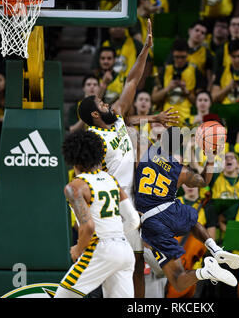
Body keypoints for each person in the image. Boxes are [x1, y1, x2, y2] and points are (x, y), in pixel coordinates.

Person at [77, 19, 154, 298]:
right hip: (110, 209)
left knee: (133, 266)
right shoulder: (95, 139)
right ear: (95, 114)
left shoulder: (118, 118)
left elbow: (132, 80)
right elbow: (88, 178)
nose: (107, 103)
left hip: (130, 202)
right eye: (101, 103)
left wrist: (144, 49)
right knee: (103, 268)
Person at [134, 126, 239, 292]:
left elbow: (128, 124)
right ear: (179, 148)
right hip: (171, 211)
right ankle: (215, 248)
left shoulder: (146, 151)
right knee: (191, 218)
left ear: (160, 140)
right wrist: (211, 158)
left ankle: (203, 272)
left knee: (177, 281)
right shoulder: (181, 170)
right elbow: (205, 182)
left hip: (152, 219)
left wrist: (152, 121)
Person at [54, 130, 140, 298]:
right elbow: (134, 220)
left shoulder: (75, 186)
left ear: (72, 158)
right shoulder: (111, 180)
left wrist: (78, 249)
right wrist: (114, 236)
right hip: (124, 250)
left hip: (100, 249)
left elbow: (88, 227)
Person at [151, 39, 205, 127]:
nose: (179, 60)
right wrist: (167, 89)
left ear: (188, 55)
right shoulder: (165, 71)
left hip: (188, 120)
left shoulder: (195, 71)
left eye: (183, 57)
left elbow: (199, 102)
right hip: (167, 120)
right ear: (172, 55)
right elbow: (154, 98)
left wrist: (186, 91)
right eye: (176, 57)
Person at [203, 151, 239, 239]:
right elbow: (204, 173)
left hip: (238, 221)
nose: (228, 159)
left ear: (238, 164)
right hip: (216, 220)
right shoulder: (215, 177)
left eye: (232, 157)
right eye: (225, 158)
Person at [186, 20, 214, 90]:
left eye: (202, 33)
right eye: (197, 30)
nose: (199, 34)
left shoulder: (207, 54)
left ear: (205, 37)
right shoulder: (178, 48)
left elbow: (210, 79)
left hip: (197, 90)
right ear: (190, 31)